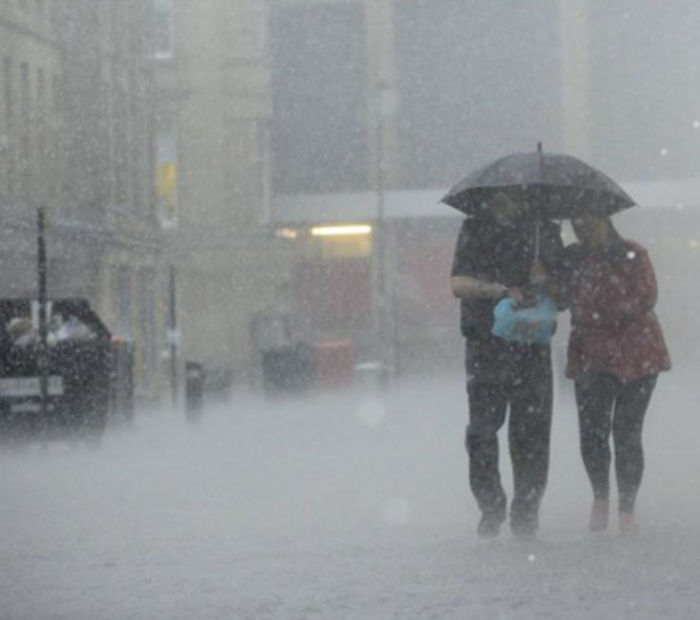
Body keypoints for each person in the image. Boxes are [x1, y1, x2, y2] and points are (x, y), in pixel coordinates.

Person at [451, 191, 565, 538]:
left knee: (531, 433)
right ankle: (491, 506)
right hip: (485, 343)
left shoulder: (543, 230)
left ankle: (526, 512)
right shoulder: (474, 229)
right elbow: (457, 283)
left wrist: (545, 280)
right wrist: (501, 291)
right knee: (483, 431)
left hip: (531, 344)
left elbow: (563, 295)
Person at [562, 213, 671, 534]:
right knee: (592, 432)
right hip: (591, 355)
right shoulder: (573, 257)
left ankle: (626, 507)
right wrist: (545, 280)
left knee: (627, 432)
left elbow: (647, 297)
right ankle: (600, 496)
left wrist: (598, 309)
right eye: (578, 223)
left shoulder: (633, 253)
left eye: (589, 221)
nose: (583, 228)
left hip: (637, 354)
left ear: (606, 220)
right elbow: (560, 297)